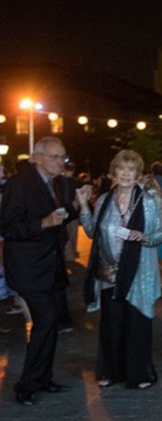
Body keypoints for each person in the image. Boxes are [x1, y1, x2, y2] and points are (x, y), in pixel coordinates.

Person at [0, 136, 84, 405]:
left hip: (49, 264)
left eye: (63, 157)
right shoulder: (19, 184)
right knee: (46, 321)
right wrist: (42, 223)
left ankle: (44, 379)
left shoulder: (56, 183)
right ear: (37, 158)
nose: (61, 162)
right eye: (55, 157)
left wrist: (75, 208)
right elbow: (7, 227)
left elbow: (56, 217)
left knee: (50, 324)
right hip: (27, 267)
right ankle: (26, 386)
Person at [78, 150, 162, 390]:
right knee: (111, 324)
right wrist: (84, 206)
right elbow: (91, 232)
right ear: (114, 172)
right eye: (122, 169)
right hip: (109, 274)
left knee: (136, 324)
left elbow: (161, 235)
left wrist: (144, 237)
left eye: (131, 170)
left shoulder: (147, 201)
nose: (126, 174)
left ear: (138, 175)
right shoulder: (104, 200)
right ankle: (110, 371)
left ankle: (139, 374)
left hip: (138, 274)